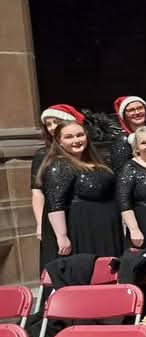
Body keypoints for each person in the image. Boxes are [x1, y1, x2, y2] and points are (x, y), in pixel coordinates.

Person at [39, 120, 123, 265]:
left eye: (80, 135)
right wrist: (62, 236)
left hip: (105, 229)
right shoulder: (60, 165)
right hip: (83, 230)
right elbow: (55, 203)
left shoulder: (97, 162)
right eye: (69, 137)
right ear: (59, 141)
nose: (76, 140)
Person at [33, 104, 80, 267]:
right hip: (54, 215)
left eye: (56, 122)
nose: (52, 127)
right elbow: (37, 192)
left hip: (77, 216)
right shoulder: (42, 154)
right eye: (48, 124)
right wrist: (39, 223)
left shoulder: (83, 150)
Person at [109, 95, 146, 169]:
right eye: (131, 110)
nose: (137, 112)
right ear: (124, 115)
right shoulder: (123, 140)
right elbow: (121, 170)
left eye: (140, 108)